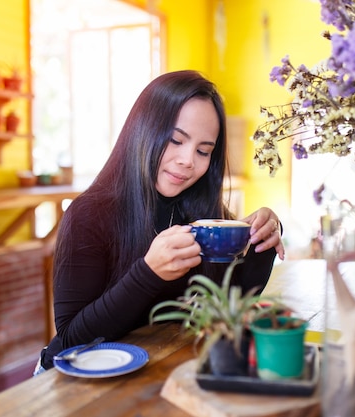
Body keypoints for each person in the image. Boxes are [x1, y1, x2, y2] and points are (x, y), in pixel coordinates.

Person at [34, 70, 285, 374]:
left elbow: (231, 306)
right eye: (176, 140)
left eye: (203, 151)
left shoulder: (200, 212)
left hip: (151, 374)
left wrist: (263, 240)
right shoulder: (88, 213)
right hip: (70, 382)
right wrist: (148, 273)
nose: (187, 160)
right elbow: (73, 338)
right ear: (143, 130)